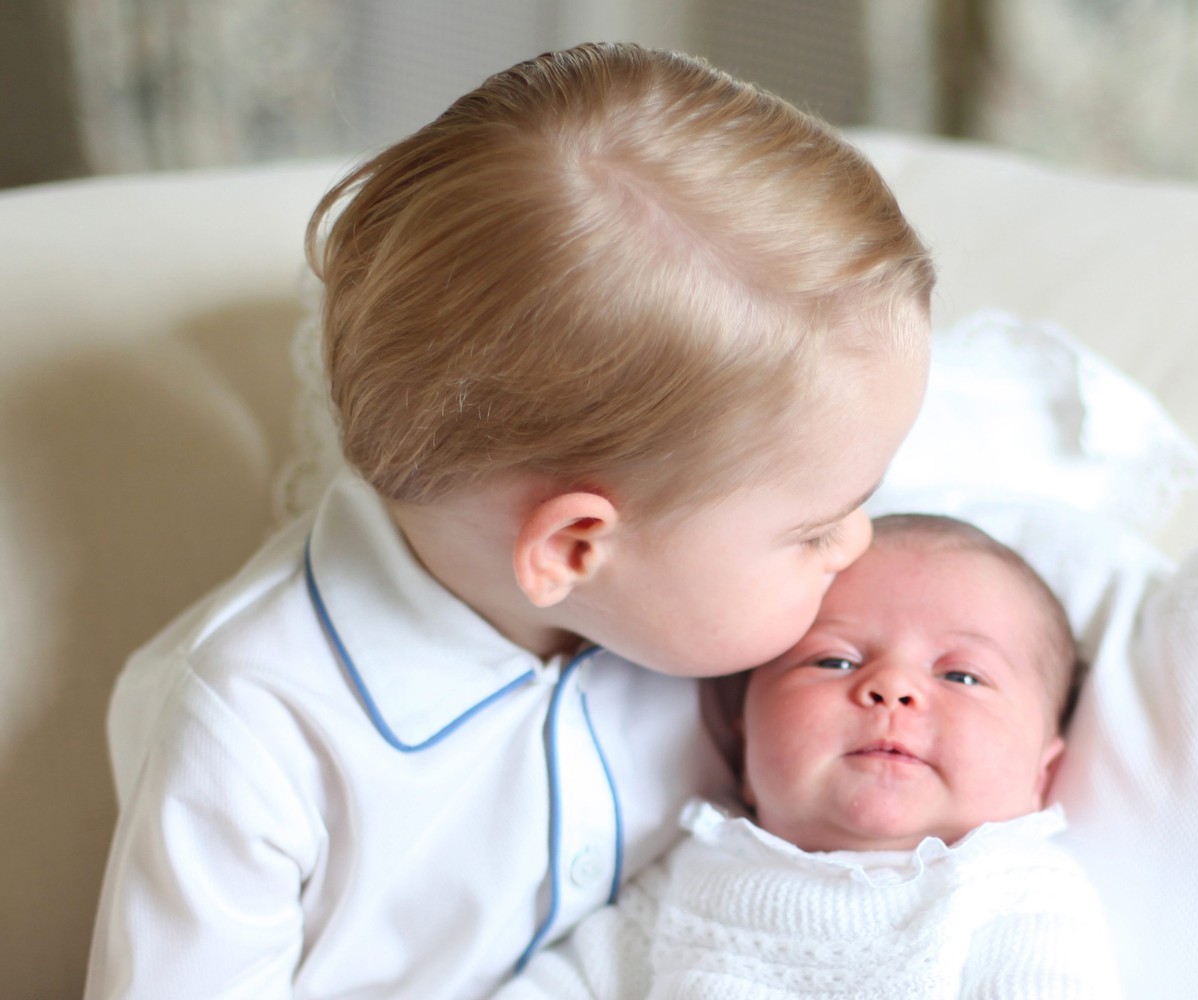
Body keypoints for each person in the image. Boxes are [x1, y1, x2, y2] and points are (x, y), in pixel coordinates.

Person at [84, 43, 933, 1000]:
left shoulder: (710, 590)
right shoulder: (252, 730)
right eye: (816, 529)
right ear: (574, 547)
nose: (858, 542)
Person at [500, 513, 1121, 999]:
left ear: (1041, 774)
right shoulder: (698, 867)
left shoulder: (1018, 893)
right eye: (835, 660)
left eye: (962, 677)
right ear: (743, 746)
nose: (893, 687)